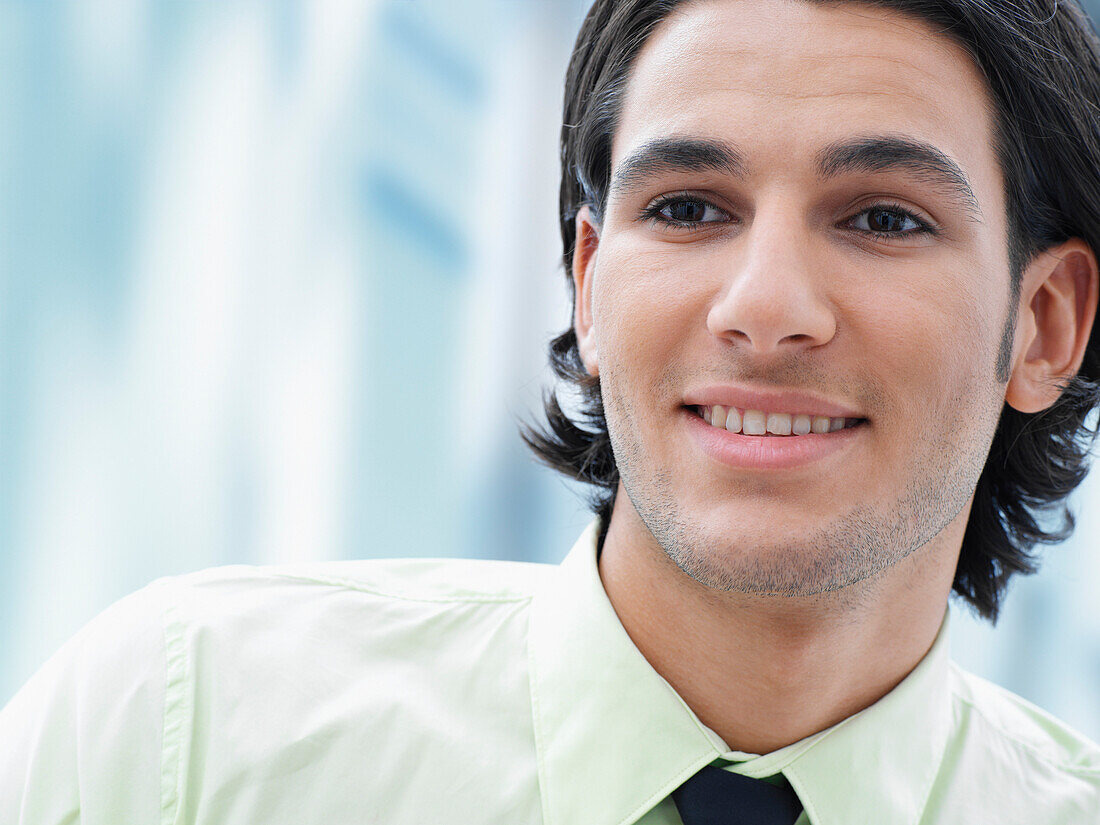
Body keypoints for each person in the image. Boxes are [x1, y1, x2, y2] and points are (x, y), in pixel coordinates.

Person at [3, 0, 1100, 822]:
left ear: (1044, 322)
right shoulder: (181, 737)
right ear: (585, 281)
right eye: (684, 208)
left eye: (879, 218)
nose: (763, 306)